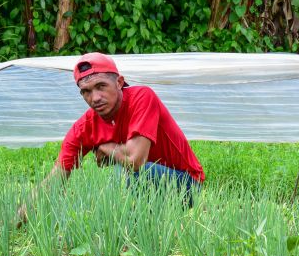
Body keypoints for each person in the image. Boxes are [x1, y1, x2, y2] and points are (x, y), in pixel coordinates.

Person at [20, 52, 204, 219]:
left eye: (101, 86)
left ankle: (140, 223)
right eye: (86, 91)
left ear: (119, 82)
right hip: (144, 192)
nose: (95, 98)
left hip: (186, 186)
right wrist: (16, 218)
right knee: (111, 190)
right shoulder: (84, 128)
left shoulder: (142, 97)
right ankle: (137, 223)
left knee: (128, 172)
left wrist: (106, 147)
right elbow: (54, 180)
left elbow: (135, 161)